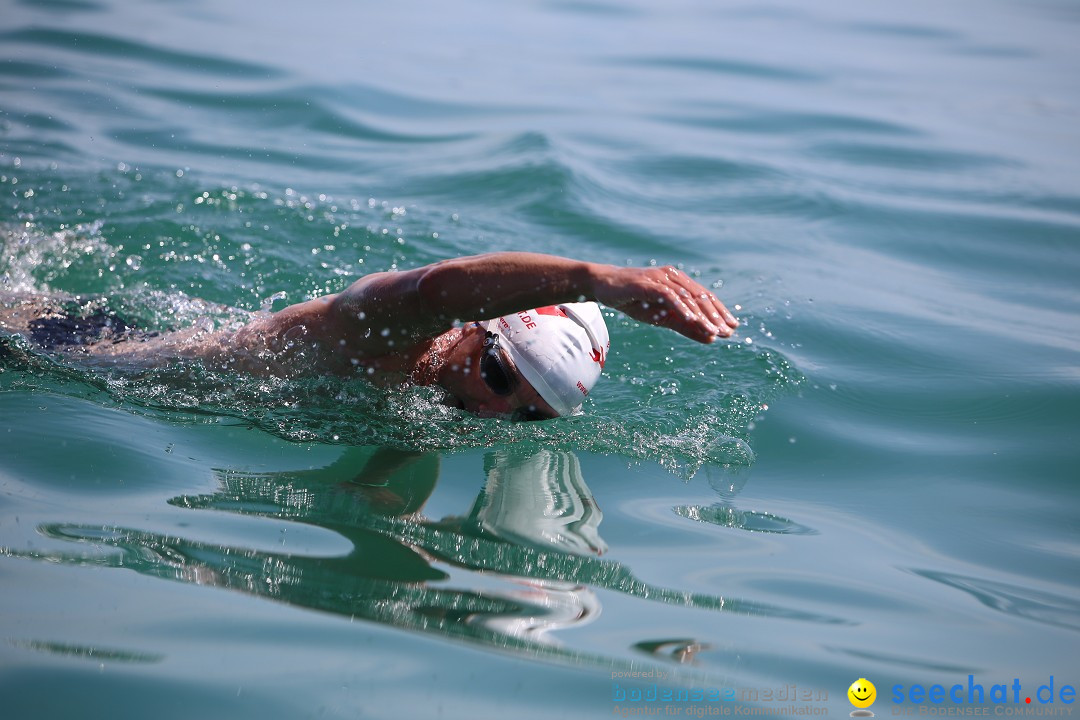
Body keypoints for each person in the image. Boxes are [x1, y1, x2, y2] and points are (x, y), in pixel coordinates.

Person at [0, 252, 738, 420]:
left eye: (528, 418)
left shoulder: (425, 397)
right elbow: (430, 288)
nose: (494, 413)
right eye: (502, 378)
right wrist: (594, 279)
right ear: (477, 334)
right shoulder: (382, 332)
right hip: (65, 352)